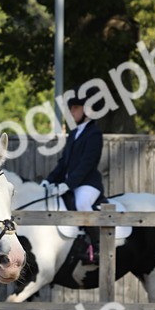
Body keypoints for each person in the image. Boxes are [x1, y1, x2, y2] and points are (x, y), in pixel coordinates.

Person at [44, 90, 105, 266]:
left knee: (82, 204)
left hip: (88, 184)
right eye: (71, 108)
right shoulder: (74, 134)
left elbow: (87, 164)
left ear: (87, 110)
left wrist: (68, 184)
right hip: (70, 184)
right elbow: (64, 162)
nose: (72, 112)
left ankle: (98, 247)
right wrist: (50, 180)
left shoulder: (94, 134)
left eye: (76, 108)